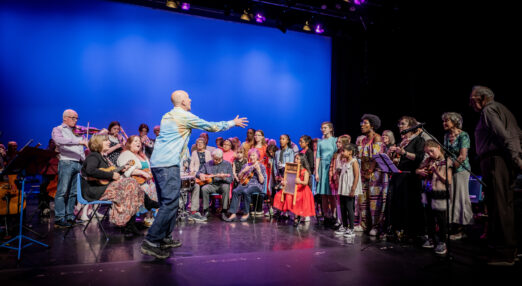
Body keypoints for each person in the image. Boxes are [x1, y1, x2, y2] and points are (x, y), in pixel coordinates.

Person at [141, 90, 248, 259]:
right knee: (170, 203)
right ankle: (152, 241)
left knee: (169, 202)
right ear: (183, 101)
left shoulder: (167, 116)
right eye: (188, 98)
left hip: (158, 163)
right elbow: (210, 126)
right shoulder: (183, 116)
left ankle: (165, 237)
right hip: (168, 164)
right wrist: (232, 123)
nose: (190, 100)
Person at [470, 86, 521, 265]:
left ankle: (503, 253)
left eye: (472, 100)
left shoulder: (489, 109)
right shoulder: (503, 109)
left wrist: (516, 159)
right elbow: (516, 135)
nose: (471, 104)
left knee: (499, 207)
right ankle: (509, 250)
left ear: (482, 98)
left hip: (496, 161)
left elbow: (503, 135)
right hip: (502, 160)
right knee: (504, 206)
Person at [81, 134, 144, 237]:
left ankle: (129, 225)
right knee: (131, 184)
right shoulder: (94, 156)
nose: (109, 142)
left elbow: (108, 175)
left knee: (131, 185)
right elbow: (90, 170)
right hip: (94, 190)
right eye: (106, 140)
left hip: (103, 188)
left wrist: (120, 170)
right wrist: (111, 174)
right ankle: (128, 224)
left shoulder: (103, 157)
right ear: (98, 143)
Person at [386, 116, 425, 241]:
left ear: (411, 126)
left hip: (410, 177)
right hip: (399, 175)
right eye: (399, 124)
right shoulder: (403, 141)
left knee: (410, 205)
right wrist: (391, 154)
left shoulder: (418, 140)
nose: (400, 126)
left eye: (403, 124)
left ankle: (412, 233)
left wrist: (403, 153)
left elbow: (419, 157)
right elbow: (397, 160)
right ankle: (399, 230)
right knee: (397, 204)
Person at [51, 109, 88, 228]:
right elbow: (59, 141)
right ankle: (60, 218)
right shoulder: (58, 129)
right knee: (62, 191)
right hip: (66, 161)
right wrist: (78, 141)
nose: (76, 120)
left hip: (78, 162)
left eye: (77, 118)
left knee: (74, 192)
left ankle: (70, 216)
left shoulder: (77, 132)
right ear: (65, 118)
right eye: (73, 118)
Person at [416, 140, 452, 255]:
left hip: (440, 192)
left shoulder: (447, 161)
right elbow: (417, 170)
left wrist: (436, 171)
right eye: (428, 152)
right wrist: (420, 171)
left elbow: (448, 180)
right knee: (429, 217)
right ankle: (431, 238)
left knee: (441, 219)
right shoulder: (428, 160)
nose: (430, 154)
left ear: (438, 147)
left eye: (431, 151)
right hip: (428, 191)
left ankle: (442, 242)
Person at [441, 112, 473, 239]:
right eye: (443, 121)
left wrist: (450, 167)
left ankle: (461, 229)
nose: (444, 123)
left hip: (461, 170)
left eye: (446, 121)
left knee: (460, 198)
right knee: (451, 198)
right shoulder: (446, 135)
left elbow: (462, 156)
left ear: (454, 122)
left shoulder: (463, 135)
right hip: (449, 170)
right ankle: (453, 226)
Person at [357, 114, 388, 236]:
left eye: (365, 123)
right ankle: (364, 224)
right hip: (363, 171)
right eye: (361, 123)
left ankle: (375, 226)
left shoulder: (377, 138)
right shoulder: (362, 140)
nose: (362, 125)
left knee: (375, 201)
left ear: (372, 125)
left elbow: (376, 156)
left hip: (375, 173)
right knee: (362, 199)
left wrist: (370, 170)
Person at [118, 135, 159, 227]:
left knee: (153, 187)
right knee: (146, 188)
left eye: (139, 141)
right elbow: (128, 169)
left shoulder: (142, 155)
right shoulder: (126, 154)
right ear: (129, 144)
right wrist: (143, 173)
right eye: (135, 141)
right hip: (131, 183)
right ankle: (145, 216)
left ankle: (149, 217)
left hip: (145, 181)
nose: (138, 143)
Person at [190, 149, 233, 222]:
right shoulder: (208, 164)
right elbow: (198, 173)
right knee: (204, 188)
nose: (215, 161)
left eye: (218, 159)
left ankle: (224, 211)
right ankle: (206, 211)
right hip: (211, 185)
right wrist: (200, 175)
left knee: (226, 187)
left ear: (221, 158)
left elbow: (231, 179)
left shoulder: (227, 164)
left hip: (222, 184)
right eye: (214, 159)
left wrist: (224, 178)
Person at [273, 153, 316, 226]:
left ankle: (297, 215)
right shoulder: (293, 169)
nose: (295, 160)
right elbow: (289, 179)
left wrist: (300, 181)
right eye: (295, 158)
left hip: (302, 189)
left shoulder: (305, 171)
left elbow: (305, 182)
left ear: (302, 160)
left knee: (296, 197)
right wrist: (284, 181)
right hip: (293, 188)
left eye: (297, 159)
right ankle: (282, 211)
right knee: (279, 195)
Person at [224, 148, 266, 222]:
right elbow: (240, 178)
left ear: (257, 156)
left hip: (256, 185)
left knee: (246, 191)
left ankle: (246, 213)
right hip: (245, 184)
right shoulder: (246, 165)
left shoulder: (261, 166)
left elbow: (262, 181)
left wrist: (259, 171)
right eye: (250, 155)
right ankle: (233, 213)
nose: (252, 157)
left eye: (253, 155)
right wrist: (243, 171)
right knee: (235, 191)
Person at [334, 144, 362, 238]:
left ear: (350, 152)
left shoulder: (354, 161)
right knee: (342, 207)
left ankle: (351, 229)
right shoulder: (345, 161)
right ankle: (345, 226)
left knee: (349, 208)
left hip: (350, 188)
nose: (342, 153)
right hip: (343, 188)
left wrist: (353, 188)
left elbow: (357, 175)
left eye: (344, 151)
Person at [315, 122, 337, 225]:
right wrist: (316, 172)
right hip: (322, 168)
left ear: (331, 129)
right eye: (322, 128)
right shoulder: (320, 142)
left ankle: (334, 215)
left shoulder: (335, 140)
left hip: (331, 166)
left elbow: (336, 155)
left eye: (325, 128)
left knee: (332, 194)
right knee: (324, 194)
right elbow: (318, 157)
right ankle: (326, 215)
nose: (323, 129)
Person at [328, 135, 351, 229]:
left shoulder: (346, 155)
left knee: (344, 201)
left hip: (344, 181)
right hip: (336, 181)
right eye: (337, 142)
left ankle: (346, 222)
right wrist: (331, 179)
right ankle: (339, 220)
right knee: (338, 201)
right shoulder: (335, 155)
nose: (337, 143)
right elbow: (331, 168)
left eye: (339, 142)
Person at [38, 139, 59, 217]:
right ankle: (44, 207)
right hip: (47, 173)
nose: (53, 144)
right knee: (44, 190)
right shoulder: (45, 153)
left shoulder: (58, 153)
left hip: (55, 174)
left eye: (54, 143)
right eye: (51, 143)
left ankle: (56, 206)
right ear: (49, 143)